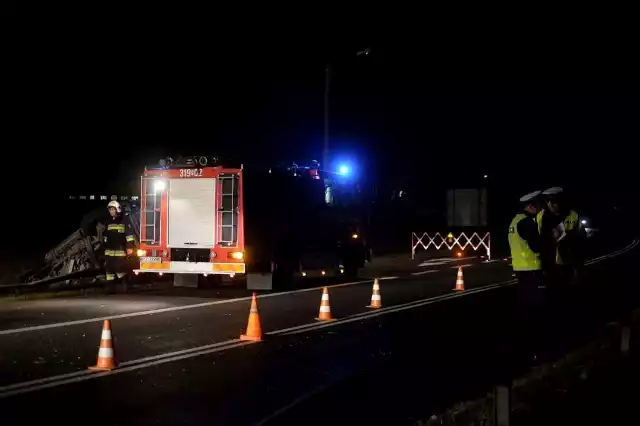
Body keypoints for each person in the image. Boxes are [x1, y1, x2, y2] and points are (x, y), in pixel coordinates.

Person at [508, 190, 545, 359]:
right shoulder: (526, 223)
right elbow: (536, 247)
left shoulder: (514, 221)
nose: (539, 209)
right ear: (530, 206)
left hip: (520, 269)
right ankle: (535, 349)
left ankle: (525, 345)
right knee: (535, 310)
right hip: (532, 270)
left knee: (526, 308)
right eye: (537, 206)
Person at [536, 187, 585, 288]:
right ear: (546, 202)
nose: (553, 205)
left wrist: (570, 237)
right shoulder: (541, 216)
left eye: (556, 202)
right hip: (549, 263)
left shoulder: (572, 215)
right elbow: (537, 239)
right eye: (550, 202)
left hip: (568, 262)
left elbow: (582, 237)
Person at [103, 200, 136, 290]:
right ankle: (110, 288)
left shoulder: (124, 221)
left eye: (113, 209)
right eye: (110, 210)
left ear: (117, 210)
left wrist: (129, 247)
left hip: (119, 250)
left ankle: (126, 284)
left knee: (119, 268)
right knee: (109, 270)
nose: (111, 211)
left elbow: (129, 236)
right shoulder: (108, 221)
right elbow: (105, 235)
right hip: (109, 250)